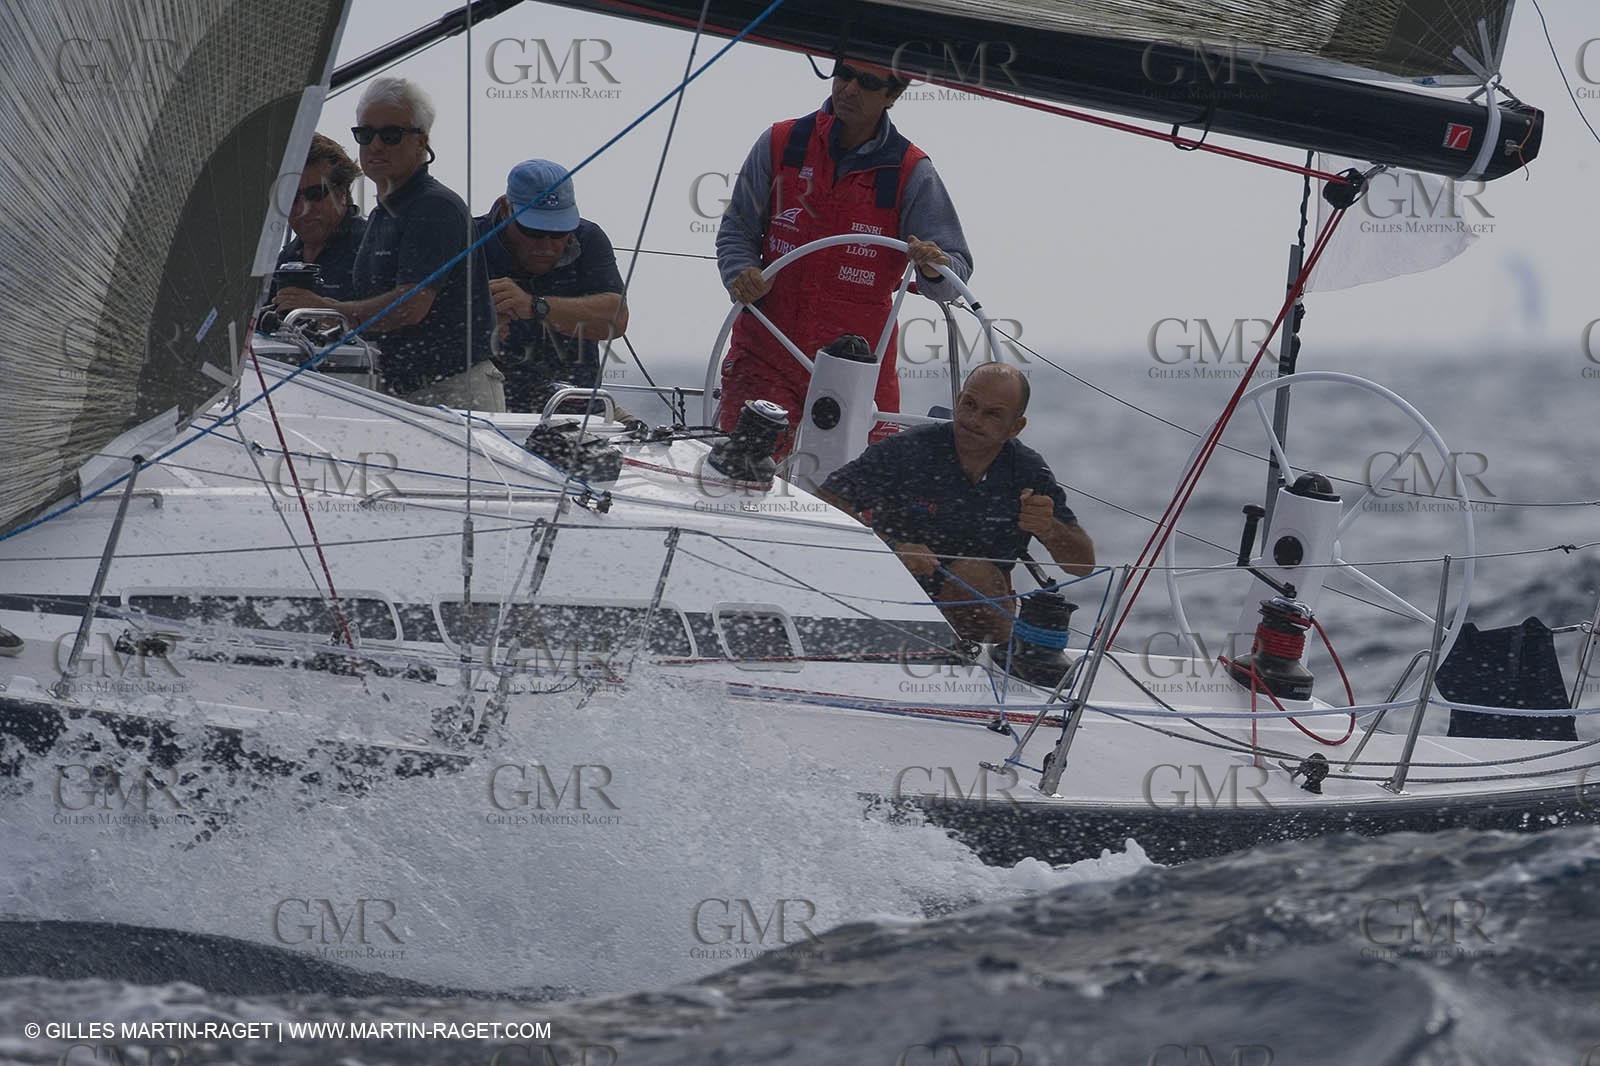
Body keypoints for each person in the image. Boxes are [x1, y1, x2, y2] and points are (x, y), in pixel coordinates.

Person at [716, 55, 974, 457]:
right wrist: (741, 270)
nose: (849, 89)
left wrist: (932, 265)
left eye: (868, 83)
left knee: (860, 502)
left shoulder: (911, 171)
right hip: (766, 352)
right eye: (845, 75)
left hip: (859, 369)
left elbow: (954, 273)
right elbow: (737, 228)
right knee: (743, 477)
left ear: (893, 95)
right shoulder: (781, 143)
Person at [818, 363, 1094, 644]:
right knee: (973, 576)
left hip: (980, 617)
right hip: (888, 595)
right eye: (969, 405)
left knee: (976, 575)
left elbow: (1082, 566)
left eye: (992, 415)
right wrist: (891, 548)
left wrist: (1049, 528)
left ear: (1016, 427)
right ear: (958, 399)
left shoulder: (1028, 472)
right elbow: (824, 501)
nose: (974, 420)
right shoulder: (906, 450)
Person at [275, 77, 504, 411]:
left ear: (421, 143)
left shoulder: (434, 207)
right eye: (365, 135)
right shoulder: (387, 213)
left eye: (391, 135)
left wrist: (328, 309)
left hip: (453, 392)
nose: (376, 145)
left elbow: (410, 306)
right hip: (401, 394)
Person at [476, 159, 629, 413]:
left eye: (559, 232)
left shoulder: (589, 240)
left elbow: (617, 319)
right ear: (505, 209)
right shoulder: (468, 242)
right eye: (533, 231)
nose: (546, 245)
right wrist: (478, 322)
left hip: (579, 410)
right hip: (490, 412)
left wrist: (535, 307)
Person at [268, 132, 366, 303]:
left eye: (316, 193)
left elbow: (394, 320)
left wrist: (328, 313)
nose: (304, 209)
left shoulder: (373, 247)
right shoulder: (281, 262)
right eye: (291, 198)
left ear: (342, 193)